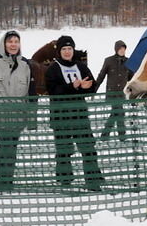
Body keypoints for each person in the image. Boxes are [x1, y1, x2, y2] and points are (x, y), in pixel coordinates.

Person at [0, 30, 37, 191]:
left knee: (11, 149)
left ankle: (7, 181)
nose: (13, 44)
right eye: (10, 41)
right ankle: (2, 183)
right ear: (4, 44)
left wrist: (32, 118)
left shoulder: (25, 64)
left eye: (16, 41)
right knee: (6, 147)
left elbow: (31, 92)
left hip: (18, 116)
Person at [44, 35, 104, 190]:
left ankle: (93, 178)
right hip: (60, 116)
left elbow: (92, 84)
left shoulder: (81, 66)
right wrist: (72, 86)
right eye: (64, 49)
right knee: (64, 149)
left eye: (70, 48)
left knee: (88, 147)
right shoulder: (53, 68)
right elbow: (53, 91)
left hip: (79, 114)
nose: (67, 52)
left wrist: (87, 87)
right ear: (59, 51)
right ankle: (65, 179)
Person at [95, 40, 133, 139]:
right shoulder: (109, 61)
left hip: (122, 93)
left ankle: (105, 135)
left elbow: (131, 78)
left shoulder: (128, 62)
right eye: (120, 49)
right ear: (116, 49)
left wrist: (134, 90)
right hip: (112, 92)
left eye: (124, 49)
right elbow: (101, 75)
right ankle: (121, 136)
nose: (122, 51)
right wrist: (94, 89)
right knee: (119, 112)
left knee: (116, 113)